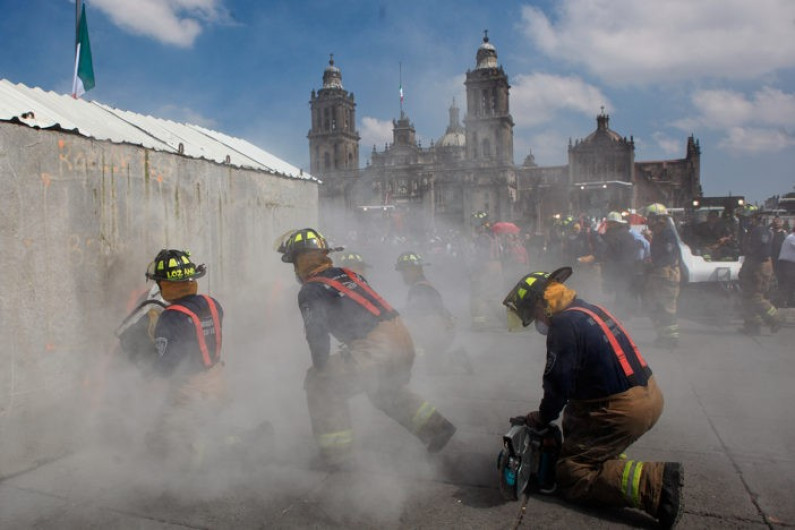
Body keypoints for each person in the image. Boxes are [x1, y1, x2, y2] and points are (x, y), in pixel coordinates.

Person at [502, 267, 684, 529]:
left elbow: (557, 384)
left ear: (544, 302)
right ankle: (602, 458)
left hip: (623, 410)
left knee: (571, 473)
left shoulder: (563, 326)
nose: (536, 321)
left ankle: (656, 484)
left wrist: (542, 417)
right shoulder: (588, 310)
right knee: (577, 421)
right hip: (650, 395)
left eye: (533, 314)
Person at [277, 228, 456, 469]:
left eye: (295, 262)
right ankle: (437, 428)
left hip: (376, 347)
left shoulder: (310, 289)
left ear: (300, 260)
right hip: (403, 340)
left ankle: (335, 456)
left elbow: (316, 335)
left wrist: (320, 367)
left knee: (319, 383)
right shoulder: (348, 274)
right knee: (383, 390)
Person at [145, 249, 227, 469]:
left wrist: (147, 381)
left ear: (165, 284)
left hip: (190, 394)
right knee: (209, 429)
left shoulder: (171, 317)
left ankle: (189, 473)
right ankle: (231, 441)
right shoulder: (212, 304)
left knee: (162, 440)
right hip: (218, 382)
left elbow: (166, 367)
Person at [394, 251, 473, 374]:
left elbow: (415, 312)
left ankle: (456, 359)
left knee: (431, 368)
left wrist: (393, 313)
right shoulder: (421, 286)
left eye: (405, 271)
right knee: (434, 368)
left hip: (437, 331)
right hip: (441, 330)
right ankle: (456, 358)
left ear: (416, 270)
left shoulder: (421, 289)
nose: (403, 275)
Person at [737, 208, 783, 335]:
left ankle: (775, 319)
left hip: (759, 266)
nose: (745, 220)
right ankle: (752, 326)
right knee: (746, 297)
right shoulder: (751, 231)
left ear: (755, 218)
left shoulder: (761, 231)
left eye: (747, 218)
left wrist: (753, 268)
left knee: (755, 297)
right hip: (751, 264)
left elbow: (762, 252)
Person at [644, 204, 681, 348]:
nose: (648, 221)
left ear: (658, 219)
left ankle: (671, 339)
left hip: (666, 276)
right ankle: (662, 335)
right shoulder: (659, 234)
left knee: (667, 307)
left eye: (650, 218)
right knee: (655, 306)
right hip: (659, 275)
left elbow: (669, 257)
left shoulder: (667, 234)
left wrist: (656, 266)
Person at [601, 211, 641, 317]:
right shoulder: (628, 235)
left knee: (619, 298)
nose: (607, 226)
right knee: (623, 296)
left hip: (619, 272)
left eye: (609, 223)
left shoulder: (612, 237)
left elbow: (610, 256)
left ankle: (620, 320)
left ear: (615, 224)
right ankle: (624, 317)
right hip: (628, 271)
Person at [777, 226, 795, 308]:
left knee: (789, 283)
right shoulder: (792, 237)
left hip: (788, 264)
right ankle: (785, 302)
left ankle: (788, 302)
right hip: (787, 264)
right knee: (788, 283)